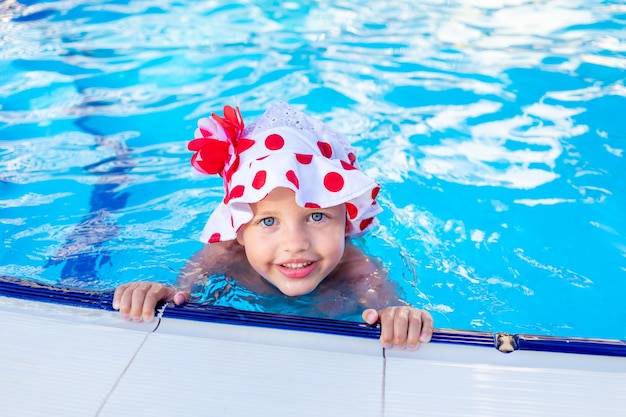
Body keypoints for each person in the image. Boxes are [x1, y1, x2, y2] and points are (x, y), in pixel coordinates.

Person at [113, 103, 434, 350]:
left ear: (347, 219)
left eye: (317, 216)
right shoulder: (222, 256)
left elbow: (394, 310)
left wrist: (401, 317)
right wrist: (156, 295)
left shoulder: (360, 272)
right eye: (268, 221)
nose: (295, 243)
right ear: (239, 229)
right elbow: (179, 296)